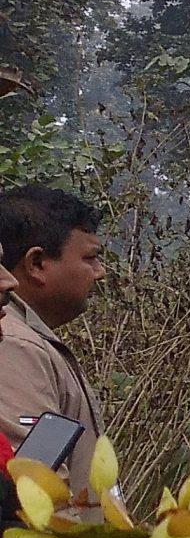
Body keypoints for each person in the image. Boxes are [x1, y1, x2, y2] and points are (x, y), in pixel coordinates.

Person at [0, 188, 107, 491]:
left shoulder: (30, 339)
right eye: (90, 258)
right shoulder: (14, 343)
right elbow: (35, 496)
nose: (100, 272)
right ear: (36, 264)